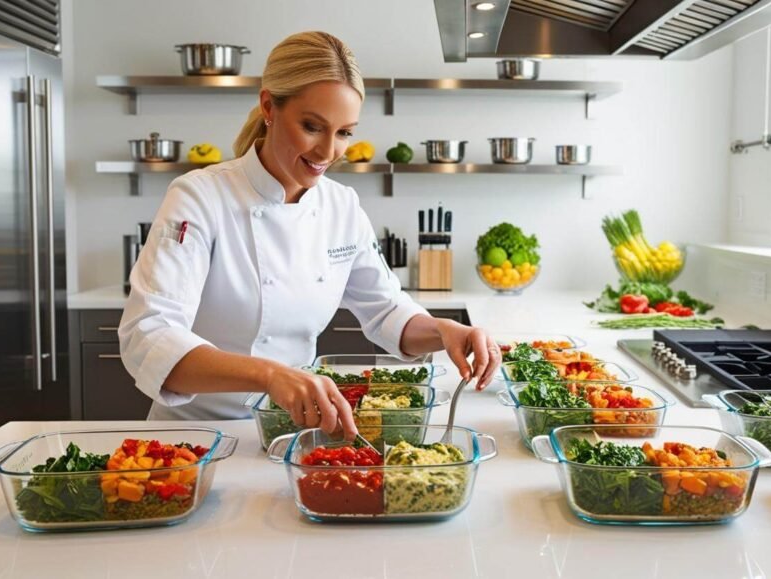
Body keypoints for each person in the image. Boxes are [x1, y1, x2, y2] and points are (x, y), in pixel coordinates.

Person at [118, 31, 500, 437]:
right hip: (194, 439)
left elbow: (387, 311)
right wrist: (270, 376)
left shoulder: (342, 206)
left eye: (345, 132)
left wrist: (443, 331)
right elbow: (148, 337)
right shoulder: (200, 196)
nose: (328, 152)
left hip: (291, 435)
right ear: (269, 106)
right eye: (312, 126)